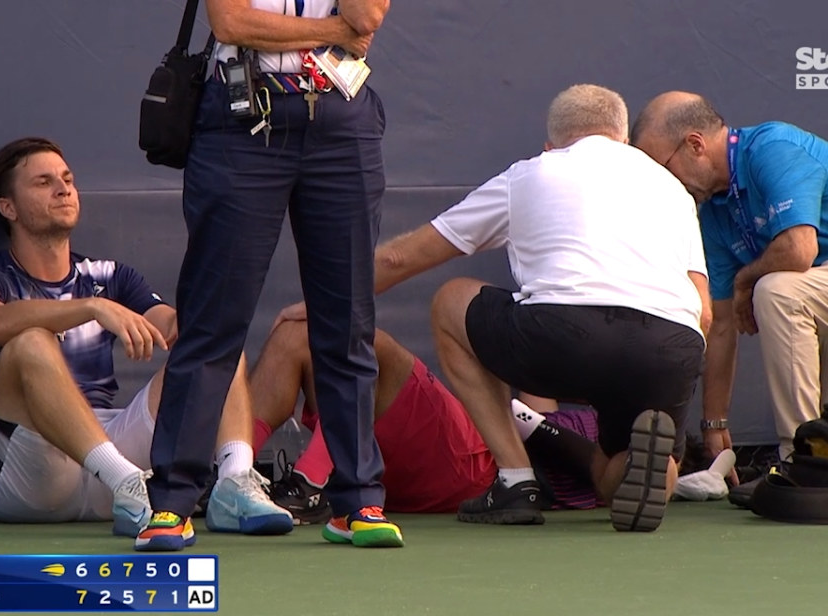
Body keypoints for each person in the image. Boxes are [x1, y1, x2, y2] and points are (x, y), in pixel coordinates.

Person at [277, 84, 710, 532]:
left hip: (565, 336)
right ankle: (656, 468)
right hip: (671, 346)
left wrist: (324, 304)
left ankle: (515, 479)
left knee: (451, 300)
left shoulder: (532, 173)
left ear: (550, 145)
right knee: (612, 472)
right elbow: (705, 311)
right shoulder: (672, 189)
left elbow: (400, 258)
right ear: (623, 140)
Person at [141, 0, 402, 550]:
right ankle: (171, 503)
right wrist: (330, 30)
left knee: (346, 321)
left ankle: (358, 501)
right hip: (241, 120)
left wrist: (331, 29)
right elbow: (232, 23)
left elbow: (368, 18)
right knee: (214, 319)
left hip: (339, 121)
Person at [0, 137, 291, 547]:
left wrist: (210, 304)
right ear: (8, 208)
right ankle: (125, 480)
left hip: (114, 450)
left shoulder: (112, 275)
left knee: (214, 341)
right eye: (43, 182)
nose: (63, 189)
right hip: (28, 476)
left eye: (67, 179)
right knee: (30, 342)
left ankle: (233, 483)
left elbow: (176, 327)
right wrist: (91, 307)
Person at [630, 92, 828, 463]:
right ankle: (825, 470)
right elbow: (720, 327)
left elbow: (800, 250)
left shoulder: (773, 147)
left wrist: (745, 281)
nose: (663, 184)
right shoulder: (714, 214)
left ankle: (795, 456)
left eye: (662, 168)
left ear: (694, 145)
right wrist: (714, 424)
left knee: (777, 291)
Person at [251, 317, 603, 526]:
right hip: (403, 465)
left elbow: (646, 474)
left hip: (476, 471)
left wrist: (537, 426)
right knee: (296, 336)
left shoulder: (627, 437)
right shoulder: (569, 398)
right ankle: (232, 479)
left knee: (367, 343)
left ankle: (309, 484)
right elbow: (534, 384)